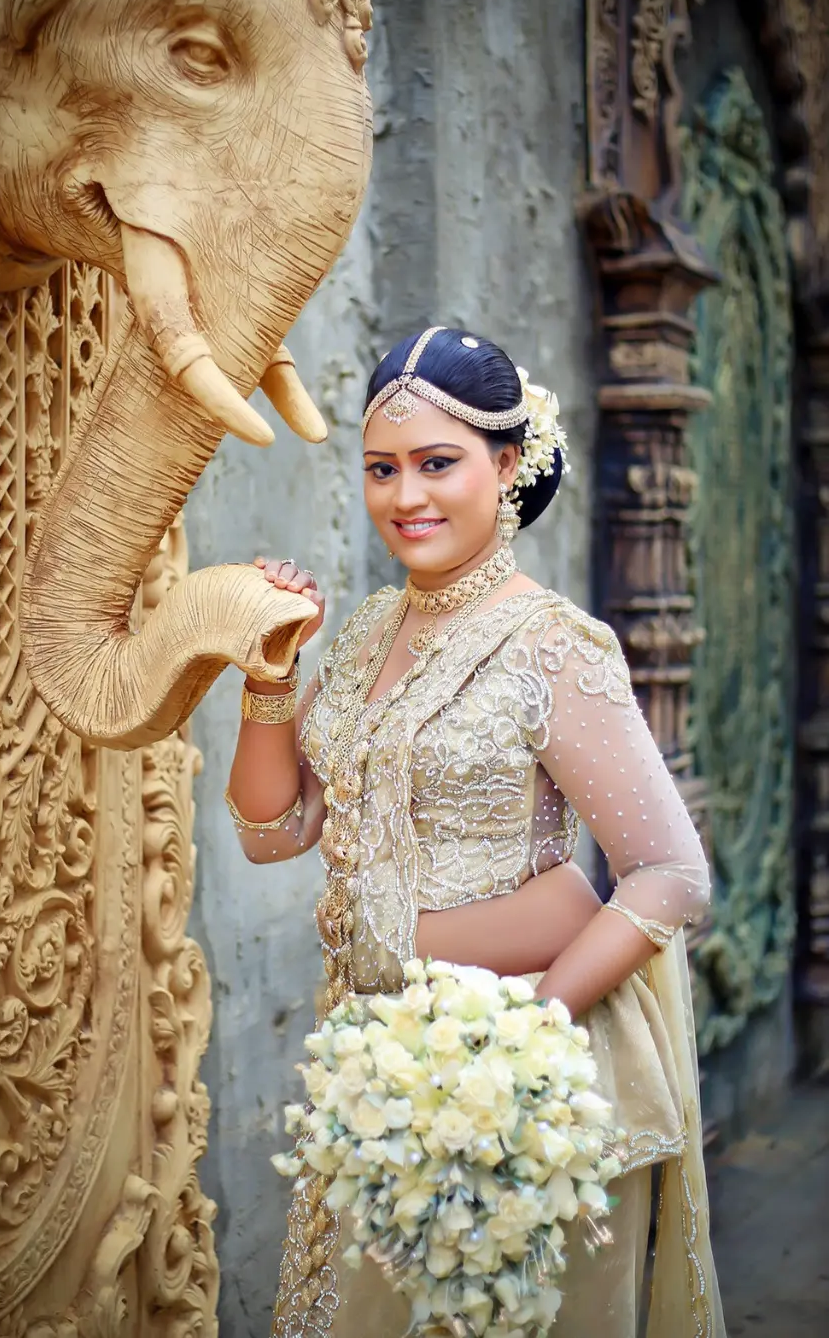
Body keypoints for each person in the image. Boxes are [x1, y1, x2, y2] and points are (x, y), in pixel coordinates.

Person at [225, 327, 725, 1338]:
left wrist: (528, 1038)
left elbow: (670, 872)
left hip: (518, 1077)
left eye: (437, 462)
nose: (405, 496)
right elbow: (273, 831)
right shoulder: (367, 634)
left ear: (505, 463)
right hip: (379, 1063)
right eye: (381, 468)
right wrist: (270, 673)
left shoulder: (553, 646)